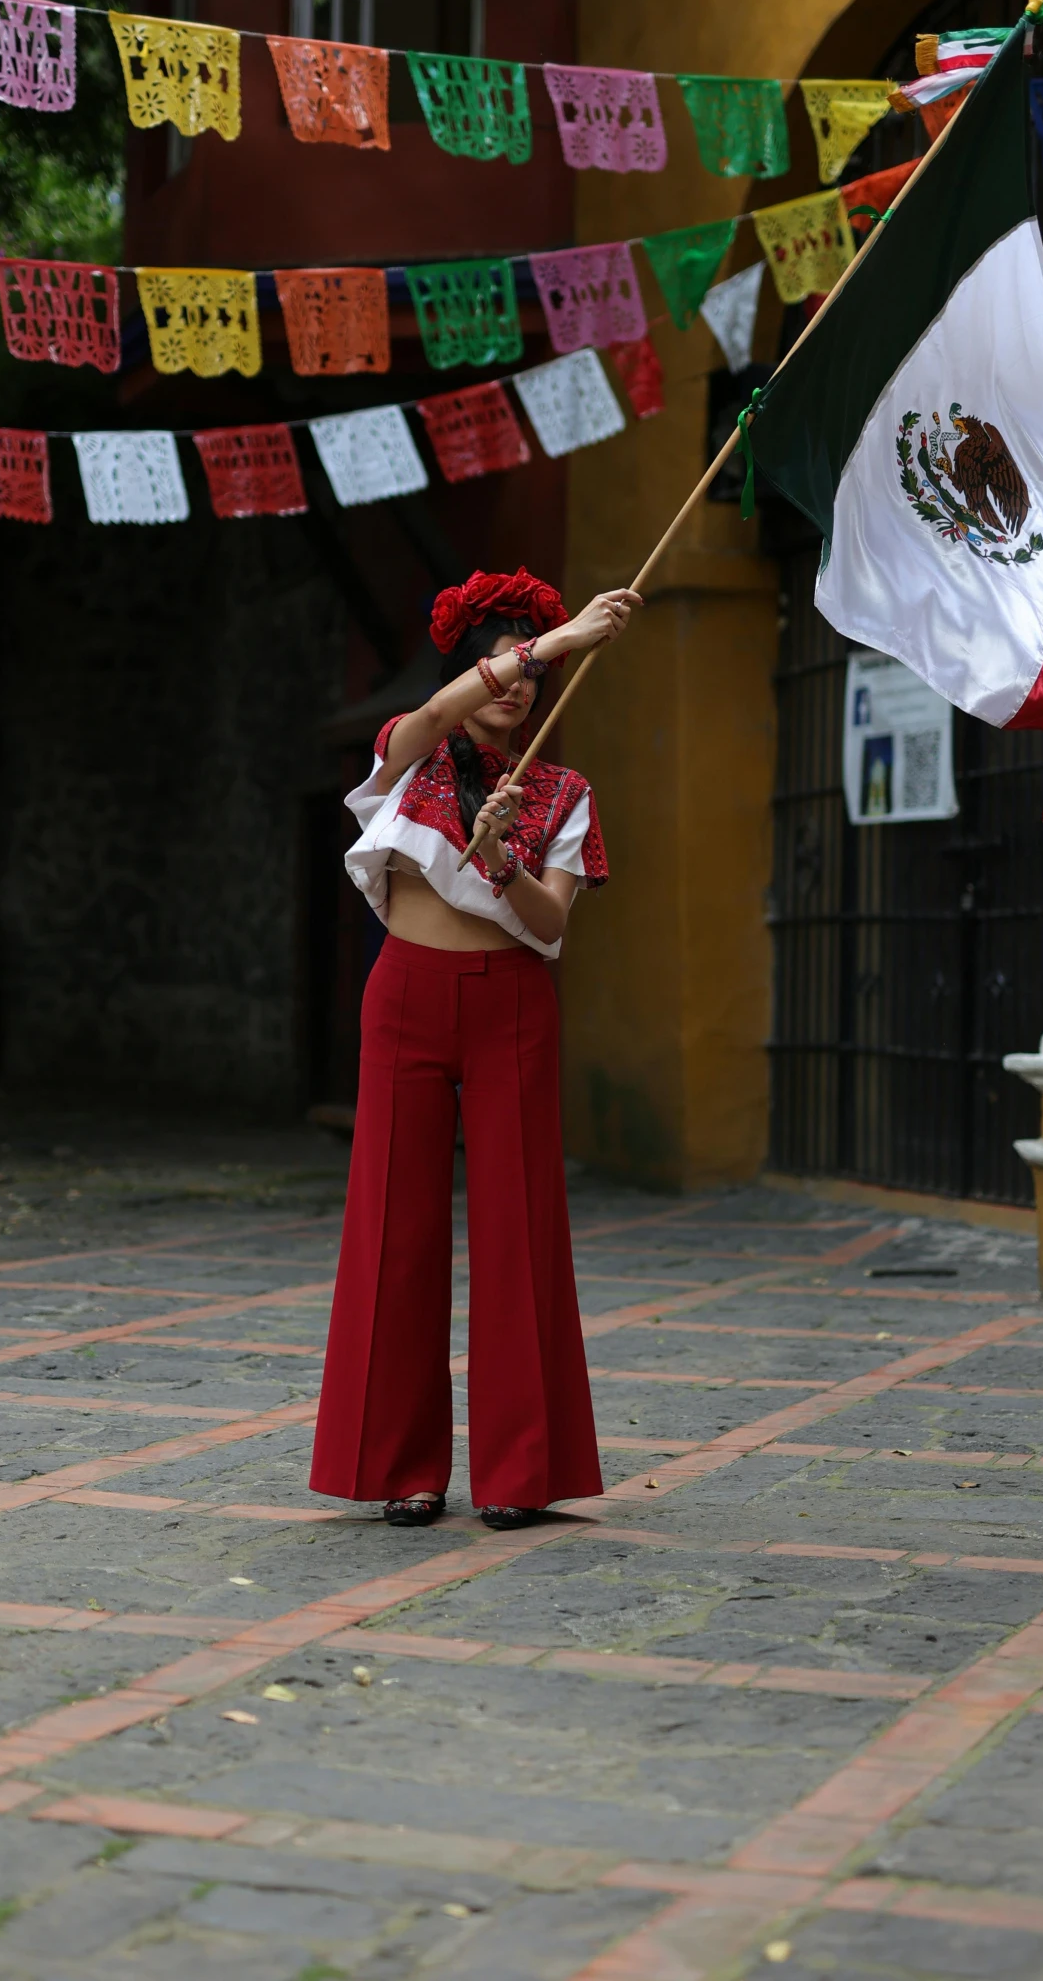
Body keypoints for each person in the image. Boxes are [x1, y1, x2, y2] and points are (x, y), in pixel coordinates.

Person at [309, 566, 641, 1530]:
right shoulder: (407, 760)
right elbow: (434, 710)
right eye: (500, 662)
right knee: (392, 1227)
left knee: (518, 1231)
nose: (520, 683)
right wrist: (554, 640)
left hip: (512, 1003)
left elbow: (549, 927)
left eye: (531, 669)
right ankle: (399, 1469)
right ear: (469, 671)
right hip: (404, 997)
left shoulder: (563, 793)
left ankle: (518, 1474)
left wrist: (499, 857)